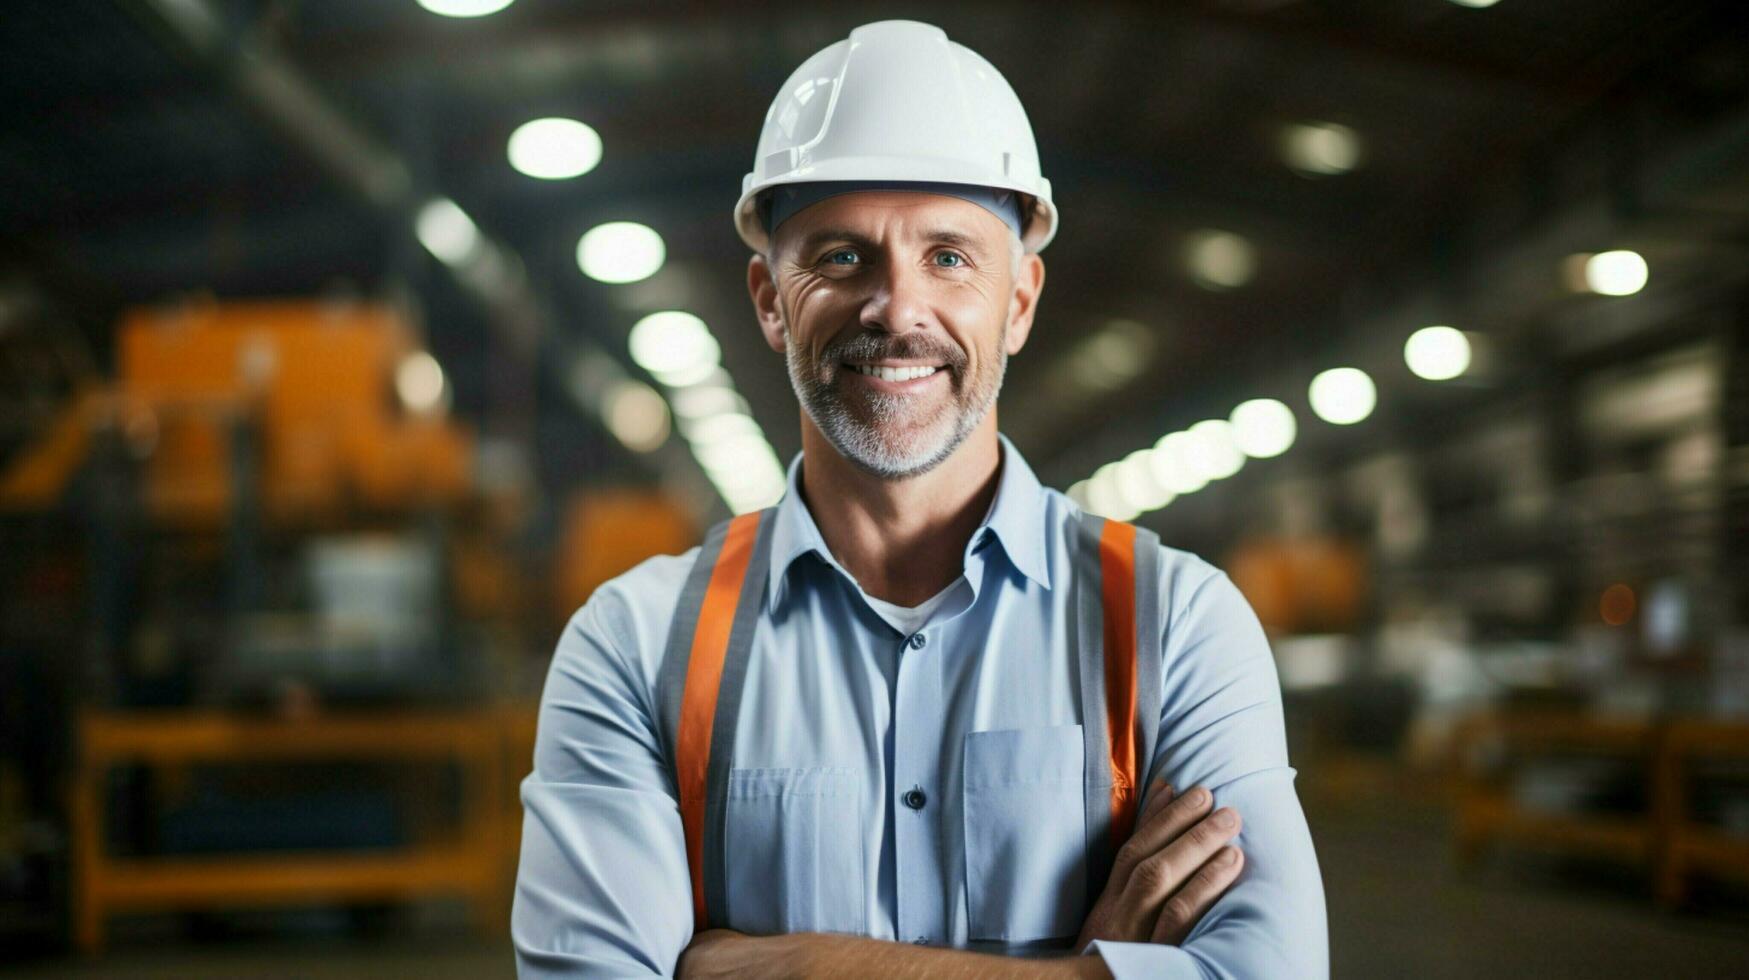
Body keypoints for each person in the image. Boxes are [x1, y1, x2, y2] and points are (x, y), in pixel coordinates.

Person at [513, 19, 1327, 979]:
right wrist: (1085, 975)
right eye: (841, 256)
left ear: (1018, 301)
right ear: (769, 301)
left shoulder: (1174, 623)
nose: (896, 310)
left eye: (948, 257)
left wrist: (787, 967)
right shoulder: (636, 646)